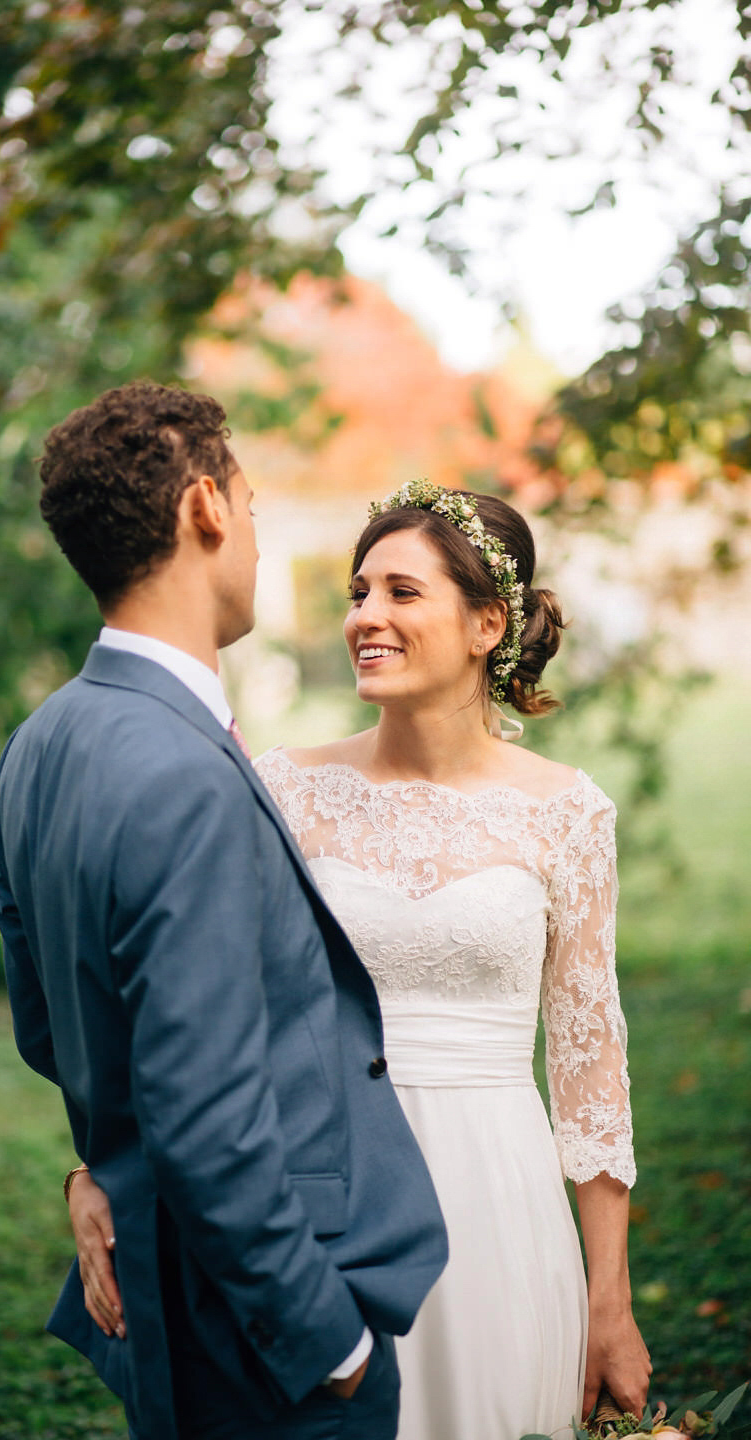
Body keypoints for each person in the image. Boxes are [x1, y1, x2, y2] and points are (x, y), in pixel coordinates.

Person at [69, 477, 652, 1440]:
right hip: (326, 1205)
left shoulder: (568, 813)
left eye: (402, 592)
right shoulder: (282, 789)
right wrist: (89, 1168)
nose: (365, 617)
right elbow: (180, 1005)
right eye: (358, 592)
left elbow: (591, 1081)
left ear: (487, 624)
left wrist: (610, 1299)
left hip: (500, 1206)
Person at [0, 385, 448, 1440]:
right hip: (259, 1343)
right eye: (248, 504)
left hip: (159, 1295)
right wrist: (324, 1343)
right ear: (204, 509)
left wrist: (101, 1167)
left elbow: (46, 1025)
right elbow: (205, 1107)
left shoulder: (38, 748)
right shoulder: (183, 771)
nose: (249, 530)